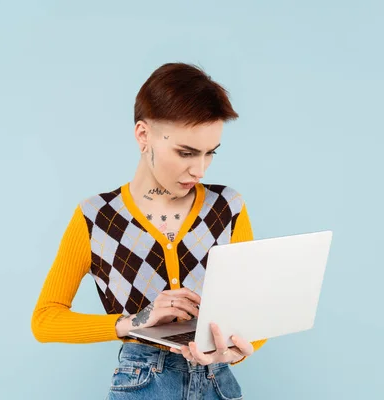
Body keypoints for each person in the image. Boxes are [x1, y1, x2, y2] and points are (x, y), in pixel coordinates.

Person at [31, 62, 267, 399]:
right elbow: (45, 319)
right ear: (144, 135)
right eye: (186, 152)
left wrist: (235, 352)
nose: (198, 169)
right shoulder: (96, 217)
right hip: (143, 382)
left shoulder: (228, 207)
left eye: (209, 153)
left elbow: (254, 313)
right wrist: (135, 322)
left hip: (219, 383)